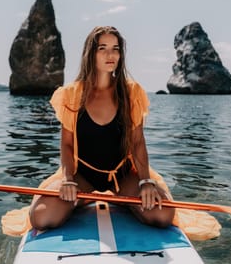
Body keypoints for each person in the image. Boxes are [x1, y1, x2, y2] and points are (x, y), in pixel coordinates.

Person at [29, 26, 175, 230]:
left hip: (123, 176)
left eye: (115, 49)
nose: (110, 54)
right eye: (102, 48)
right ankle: (85, 198)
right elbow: (67, 145)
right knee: (41, 218)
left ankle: (120, 198)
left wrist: (145, 182)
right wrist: (68, 180)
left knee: (163, 215)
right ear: (91, 53)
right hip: (83, 176)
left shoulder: (131, 92)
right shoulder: (71, 94)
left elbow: (138, 142)